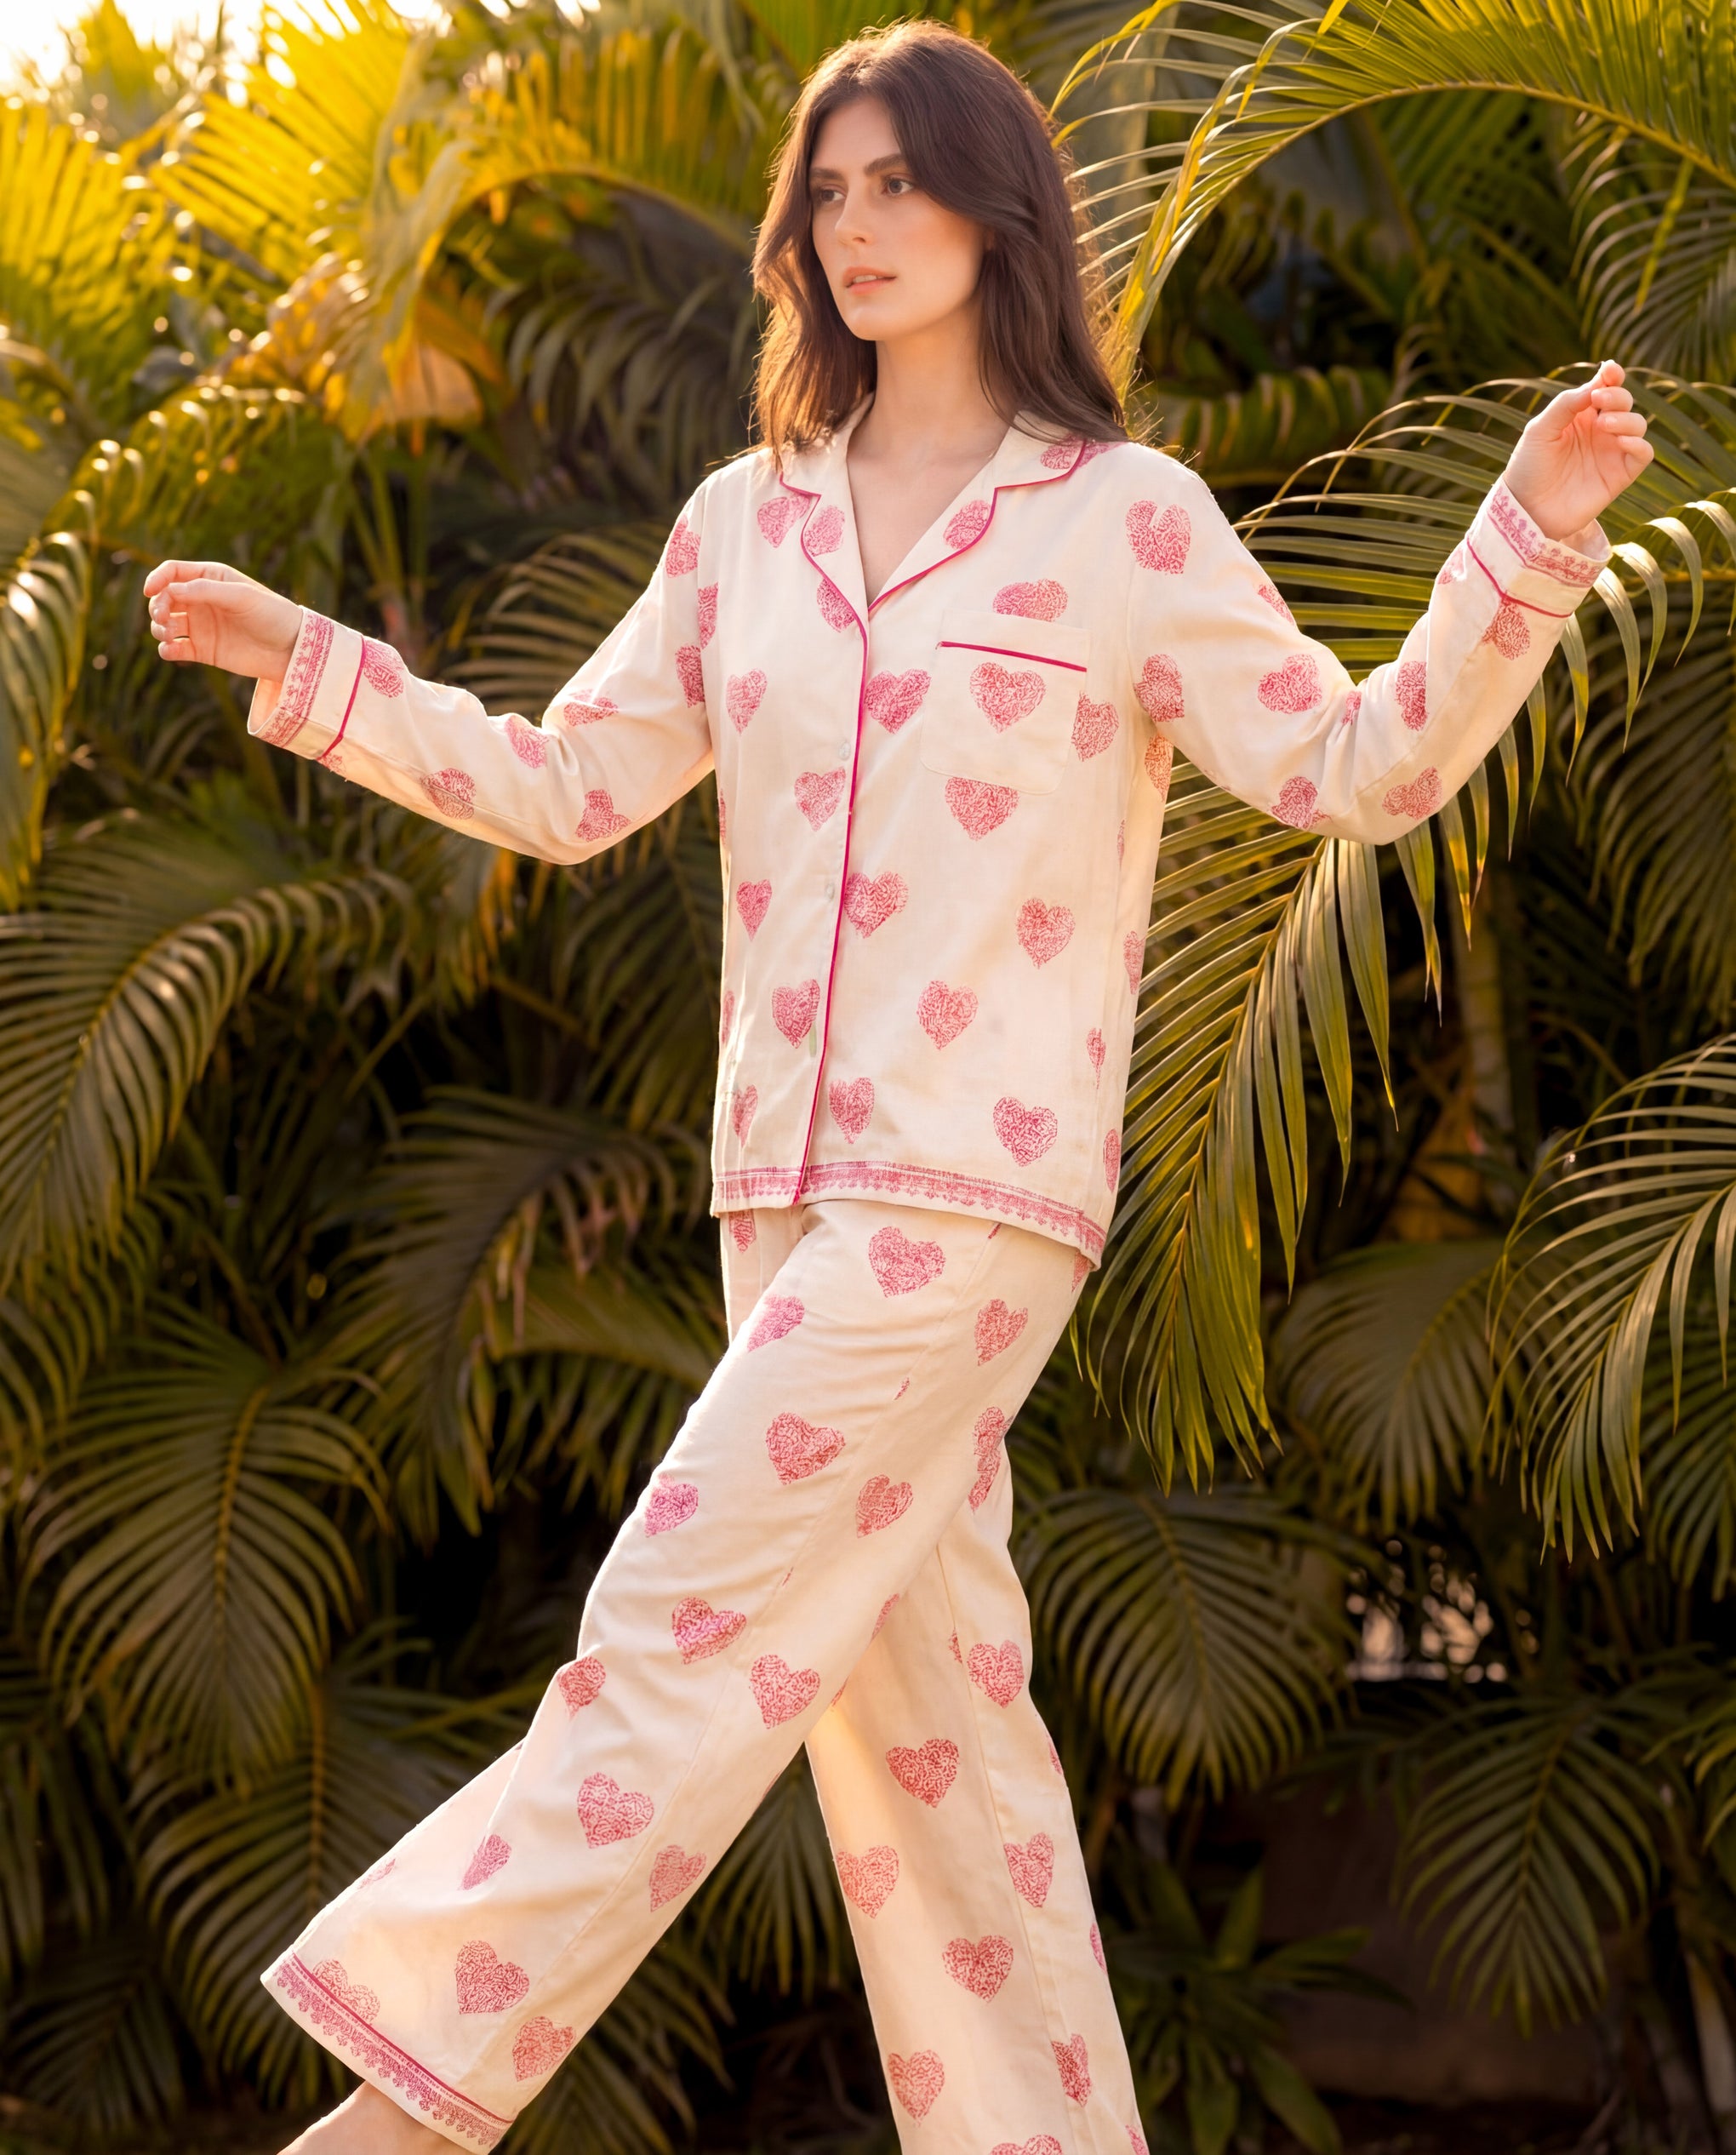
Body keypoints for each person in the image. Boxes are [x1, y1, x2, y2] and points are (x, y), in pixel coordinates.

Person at [146, 20, 1653, 2154]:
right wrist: (319, 669)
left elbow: (1357, 766)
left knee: (675, 1619)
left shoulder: (1122, 521)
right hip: (776, 1193)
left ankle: (394, 2123)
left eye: (899, 182)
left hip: (968, 1202)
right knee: (937, 1756)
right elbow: (570, 788)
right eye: (828, 193)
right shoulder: (744, 527)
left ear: (995, 205)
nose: (857, 226)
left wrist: (1530, 537)